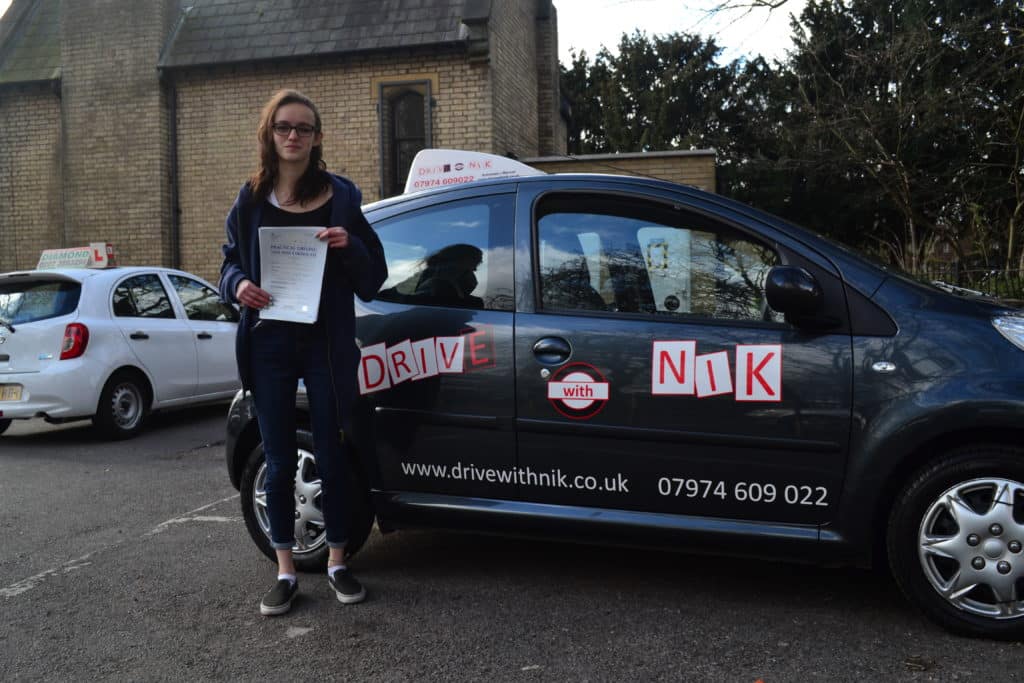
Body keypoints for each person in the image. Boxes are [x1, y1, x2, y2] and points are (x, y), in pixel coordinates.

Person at [219, 89, 387, 616]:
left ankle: (337, 561)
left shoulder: (342, 197)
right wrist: (238, 285)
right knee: (278, 456)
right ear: (270, 134)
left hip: (325, 343)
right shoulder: (249, 200)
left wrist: (349, 244)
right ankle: (286, 570)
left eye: (304, 128)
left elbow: (374, 278)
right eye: (284, 127)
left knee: (333, 452)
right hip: (269, 342)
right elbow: (227, 264)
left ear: (316, 139)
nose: (294, 136)